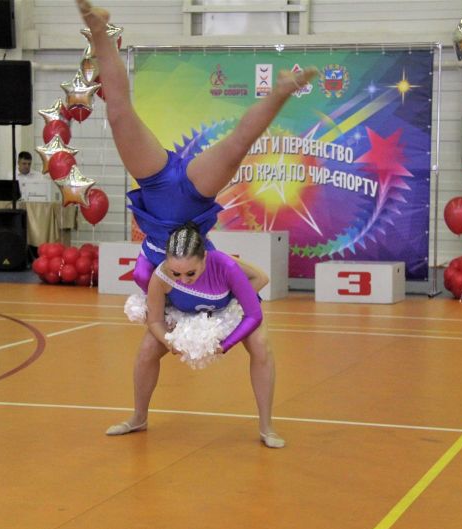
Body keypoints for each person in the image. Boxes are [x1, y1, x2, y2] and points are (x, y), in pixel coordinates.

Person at [77, 0, 318, 293]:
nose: (185, 279)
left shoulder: (150, 279)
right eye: (188, 277)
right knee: (237, 145)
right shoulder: (213, 269)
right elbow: (255, 280)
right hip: (195, 196)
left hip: (154, 184)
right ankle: (281, 91)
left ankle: (99, 30)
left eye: (186, 278)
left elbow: (152, 306)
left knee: (118, 114)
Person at [106, 222, 285, 448]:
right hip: (183, 314)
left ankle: (267, 427)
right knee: (147, 349)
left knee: (261, 344)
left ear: (204, 258)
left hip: (226, 310)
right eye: (176, 273)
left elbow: (254, 315)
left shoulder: (225, 265)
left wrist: (226, 343)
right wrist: (169, 341)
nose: (183, 280)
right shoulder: (160, 276)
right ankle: (138, 418)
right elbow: (155, 321)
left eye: (190, 273)